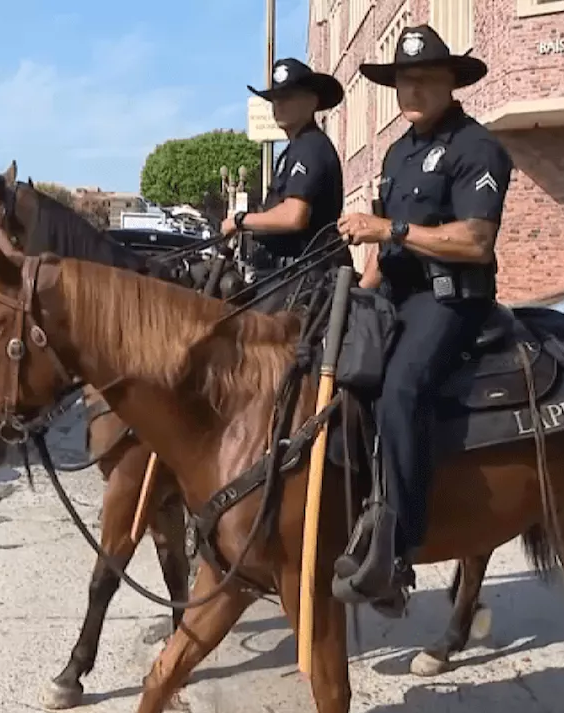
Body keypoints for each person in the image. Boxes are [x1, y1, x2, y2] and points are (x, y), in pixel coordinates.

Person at [333, 24, 512, 608]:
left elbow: (476, 241)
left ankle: (400, 547)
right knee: (332, 372)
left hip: (451, 299)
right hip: (396, 295)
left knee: (401, 388)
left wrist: (390, 229)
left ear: (449, 83)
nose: (410, 89)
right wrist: (358, 294)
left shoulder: (476, 147)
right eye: (402, 80)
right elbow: (386, 253)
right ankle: (352, 506)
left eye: (423, 79)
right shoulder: (397, 151)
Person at [219, 58, 350, 308]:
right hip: (287, 277)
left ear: (312, 101)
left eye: (288, 97)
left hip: (303, 281)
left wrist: (240, 221)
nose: (278, 105)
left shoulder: (310, 146)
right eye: (275, 99)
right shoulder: (295, 149)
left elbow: (294, 216)